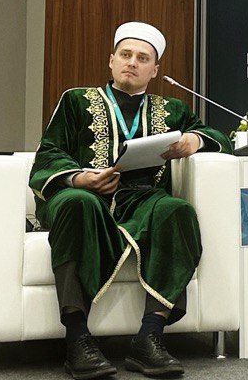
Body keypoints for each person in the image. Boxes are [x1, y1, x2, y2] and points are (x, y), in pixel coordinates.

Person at [30, 22, 228, 379]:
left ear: (154, 70)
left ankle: (149, 337)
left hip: (143, 199)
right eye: (125, 55)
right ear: (111, 61)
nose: (132, 62)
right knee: (77, 204)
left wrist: (194, 141)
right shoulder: (76, 100)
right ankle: (77, 339)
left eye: (142, 58)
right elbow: (49, 153)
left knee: (177, 210)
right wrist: (82, 178)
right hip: (83, 196)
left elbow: (219, 137)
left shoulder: (172, 109)